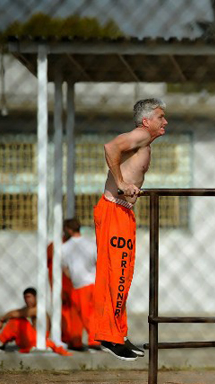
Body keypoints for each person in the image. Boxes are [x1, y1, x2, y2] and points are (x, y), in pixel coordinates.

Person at [92, 98, 167, 361]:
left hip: (122, 211)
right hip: (114, 209)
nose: (164, 121)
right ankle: (108, 335)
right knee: (116, 273)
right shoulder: (140, 135)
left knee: (123, 272)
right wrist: (122, 183)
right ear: (146, 121)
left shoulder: (144, 141)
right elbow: (110, 146)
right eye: (160, 117)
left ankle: (118, 333)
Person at [0, 288, 71, 356]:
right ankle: (0, 344)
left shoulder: (37, 309)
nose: (27, 300)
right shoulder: (31, 308)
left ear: (36, 297)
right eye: (25, 298)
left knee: (18, 321)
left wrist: (2, 320)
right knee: (17, 322)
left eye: (29, 297)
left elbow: (14, 313)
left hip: (38, 339)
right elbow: (16, 313)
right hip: (33, 338)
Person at [61, 218, 99, 350]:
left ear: (68, 230)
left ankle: (81, 341)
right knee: (90, 313)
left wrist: (72, 277)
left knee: (78, 314)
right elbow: (98, 262)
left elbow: (65, 268)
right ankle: (91, 340)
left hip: (77, 283)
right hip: (92, 281)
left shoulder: (65, 247)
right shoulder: (91, 243)